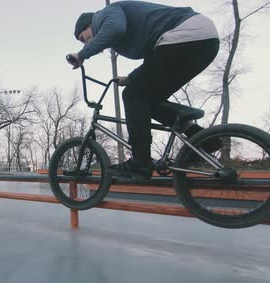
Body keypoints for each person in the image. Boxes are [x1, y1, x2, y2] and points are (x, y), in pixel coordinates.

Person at [71, 1, 220, 180]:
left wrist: (82, 54)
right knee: (148, 101)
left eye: (83, 37)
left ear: (89, 24)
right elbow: (154, 57)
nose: (86, 42)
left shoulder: (105, 14)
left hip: (186, 36)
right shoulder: (122, 37)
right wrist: (131, 77)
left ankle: (140, 163)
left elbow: (115, 28)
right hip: (201, 42)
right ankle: (202, 138)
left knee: (132, 95)